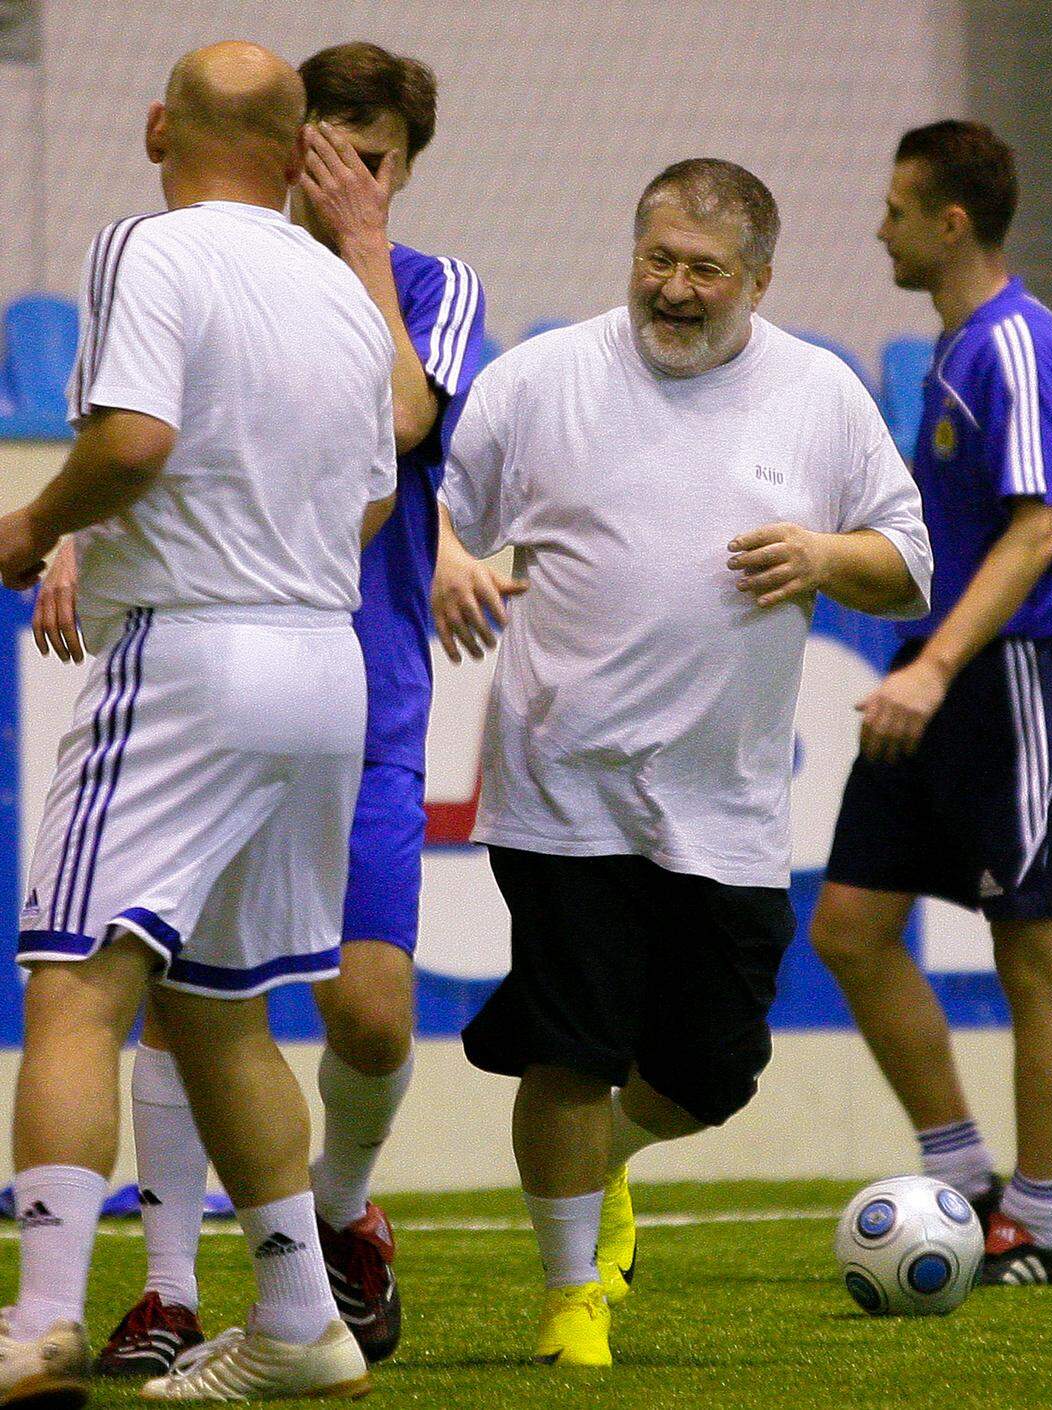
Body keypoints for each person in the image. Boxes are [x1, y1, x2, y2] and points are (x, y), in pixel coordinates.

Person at [32, 41, 488, 1376]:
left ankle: (51, 1310)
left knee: (94, 981)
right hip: (313, 662)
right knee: (213, 998)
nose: (345, 166)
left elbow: (142, 440)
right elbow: (341, 483)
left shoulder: (188, 251)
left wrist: (45, 521)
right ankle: (261, 1308)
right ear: (295, 147)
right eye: (330, 138)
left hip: (244, 662)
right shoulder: (304, 283)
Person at [433, 157, 933, 1366]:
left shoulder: (818, 394)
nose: (675, 288)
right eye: (657, 258)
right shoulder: (539, 380)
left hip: (730, 803)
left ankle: (601, 1164)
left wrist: (824, 553)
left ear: (759, 280)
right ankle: (569, 1304)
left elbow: (907, 561)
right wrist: (449, 558)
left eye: (705, 270)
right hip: (562, 782)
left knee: (712, 1069)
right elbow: (427, 506)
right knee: (572, 1043)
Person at [810, 120, 1052, 1288]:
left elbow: (1041, 530)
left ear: (950, 223)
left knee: (1032, 948)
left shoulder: (1018, 347)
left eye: (895, 208)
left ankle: (1037, 1228)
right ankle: (968, 1177)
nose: (878, 226)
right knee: (848, 927)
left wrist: (973, 672)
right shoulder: (957, 350)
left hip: (986, 674)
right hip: (964, 675)